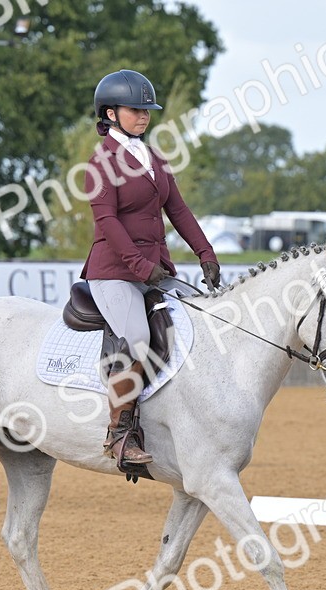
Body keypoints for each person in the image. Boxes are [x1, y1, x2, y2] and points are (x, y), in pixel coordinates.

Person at [82, 68, 221, 467]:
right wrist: (141, 268)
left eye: (147, 110)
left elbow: (177, 209)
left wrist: (205, 253)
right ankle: (119, 433)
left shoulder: (153, 157)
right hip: (114, 272)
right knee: (139, 338)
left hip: (155, 268)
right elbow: (106, 223)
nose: (143, 116)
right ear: (110, 114)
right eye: (134, 109)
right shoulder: (101, 162)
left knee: (200, 321)